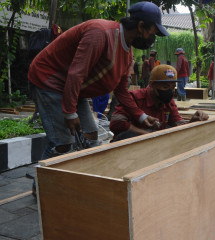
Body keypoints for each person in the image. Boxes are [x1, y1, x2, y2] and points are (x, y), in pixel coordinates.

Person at [28, 1, 169, 160]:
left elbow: (121, 91)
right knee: (62, 143)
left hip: (75, 89)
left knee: (90, 136)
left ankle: (84, 178)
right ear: (141, 26)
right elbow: (76, 73)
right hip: (49, 81)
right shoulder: (100, 33)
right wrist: (69, 112)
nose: (153, 38)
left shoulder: (127, 53)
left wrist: (142, 116)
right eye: (153, 32)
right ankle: (40, 184)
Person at [109, 65, 209, 141]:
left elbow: (177, 124)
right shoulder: (134, 99)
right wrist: (146, 135)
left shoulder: (169, 104)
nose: (170, 91)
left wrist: (192, 121)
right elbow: (115, 123)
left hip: (153, 148)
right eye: (165, 87)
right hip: (126, 148)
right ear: (152, 85)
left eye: (172, 88)